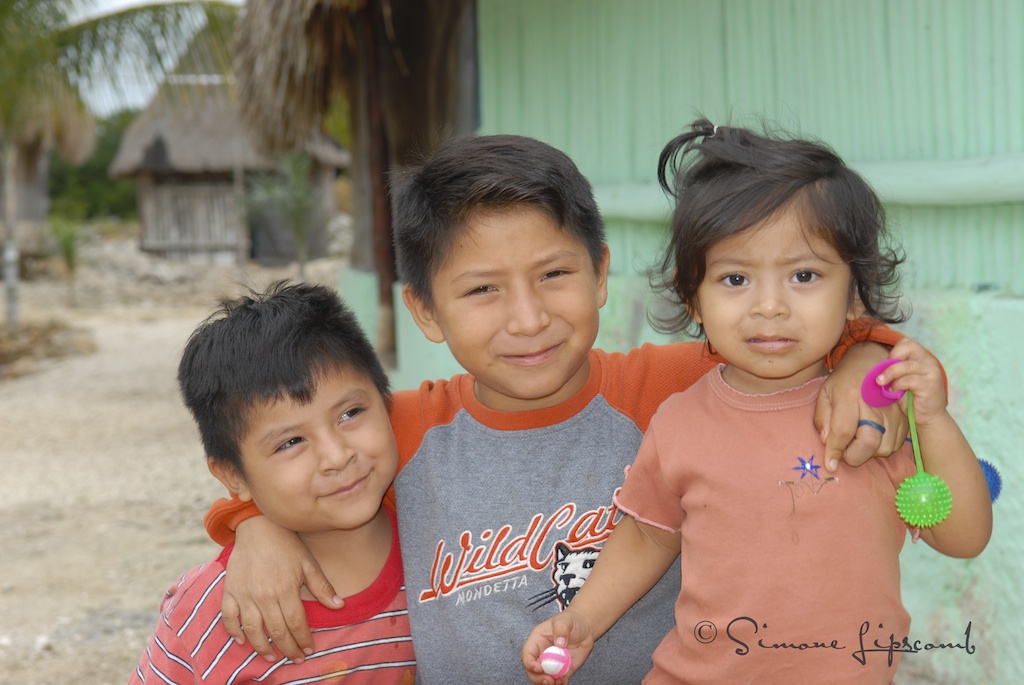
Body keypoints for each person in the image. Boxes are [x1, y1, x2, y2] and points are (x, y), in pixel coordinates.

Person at [203, 134, 918, 683]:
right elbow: (303, 453)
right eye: (482, 290)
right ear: (424, 310)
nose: (528, 318)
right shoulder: (408, 429)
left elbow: (803, 343)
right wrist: (253, 524)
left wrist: (863, 359)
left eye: (554, 274)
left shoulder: (671, 389)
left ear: (600, 273)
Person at [521, 120, 993, 685]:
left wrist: (933, 420)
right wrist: (584, 619)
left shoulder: (866, 416)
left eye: (804, 275)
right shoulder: (681, 420)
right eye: (735, 279)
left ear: (855, 294)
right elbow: (649, 533)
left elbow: (964, 536)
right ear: (693, 297)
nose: (769, 306)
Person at [128, 282, 416, 684]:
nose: (337, 456)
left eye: (350, 413)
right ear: (233, 475)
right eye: (291, 442)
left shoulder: (450, 548)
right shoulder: (210, 613)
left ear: (385, 399)